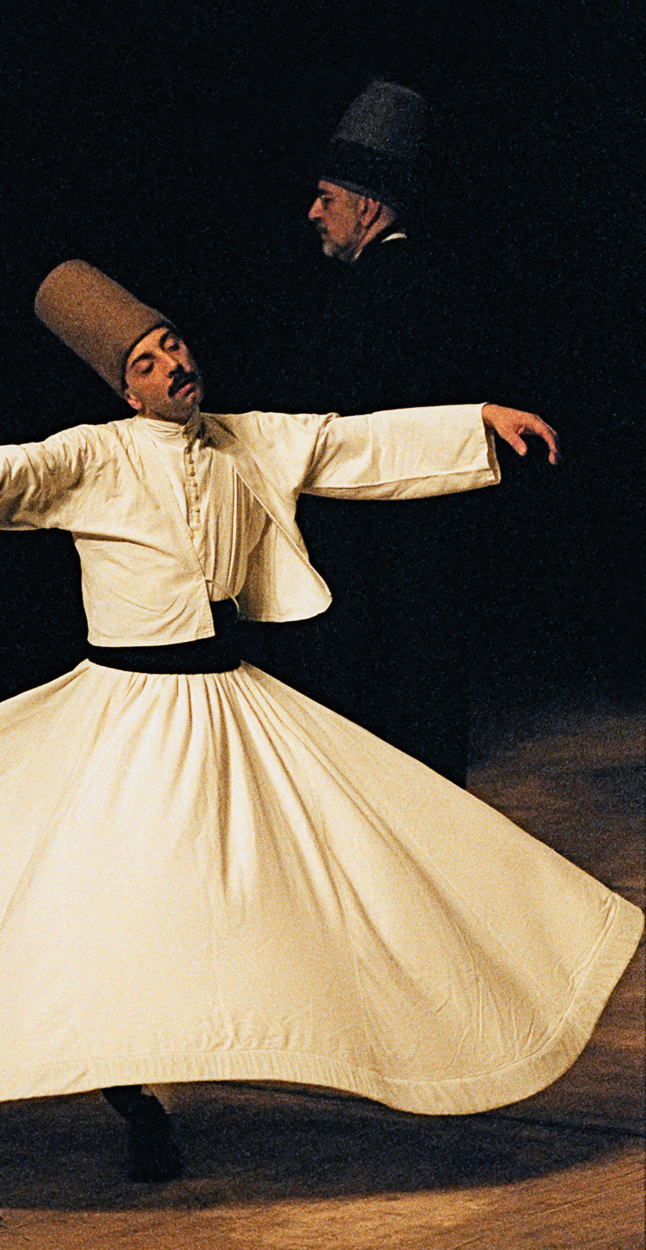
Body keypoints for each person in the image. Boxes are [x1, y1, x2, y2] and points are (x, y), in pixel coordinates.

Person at [0, 261, 641, 1189]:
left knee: (338, 863)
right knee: (114, 903)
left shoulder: (248, 442)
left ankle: (339, 1036)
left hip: (228, 701)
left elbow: (355, 446)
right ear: (125, 386)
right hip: (126, 713)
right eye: (147, 360)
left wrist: (479, 423)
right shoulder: (92, 455)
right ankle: (133, 1096)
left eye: (174, 343)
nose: (172, 364)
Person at [266, 81, 504, 785]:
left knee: (388, 747)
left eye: (327, 198)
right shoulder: (419, 281)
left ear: (367, 205)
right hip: (421, 563)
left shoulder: (381, 293)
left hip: (384, 565)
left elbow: (348, 425)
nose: (313, 213)